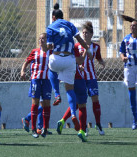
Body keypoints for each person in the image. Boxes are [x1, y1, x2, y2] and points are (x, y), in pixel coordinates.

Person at [46, 3, 92, 142]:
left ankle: (57, 94)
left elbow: (48, 47)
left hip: (57, 57)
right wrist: (88, 51)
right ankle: (73, 114)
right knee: (71, 91)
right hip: (70, 62)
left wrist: (49, 45)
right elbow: (80, 41)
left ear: (53, 17)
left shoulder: (51, 27)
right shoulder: (70, 26)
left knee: (51, 69)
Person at [57, 21, 106, 136]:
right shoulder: (76, 46)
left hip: (91, 77)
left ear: (92, 34)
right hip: (79, 78)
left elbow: (98, 58)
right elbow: (75, 60)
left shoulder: (96, 47)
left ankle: (98, 124)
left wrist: (102, 62)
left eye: (87, 33)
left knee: (95, 99)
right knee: (79, 103)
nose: (85, 34)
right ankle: (70, 123)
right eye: (83, 33)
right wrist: (79, 65)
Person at [21, 33, 52, 138]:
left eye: (43, 38)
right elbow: (26, 62)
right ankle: (33, 129)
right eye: (40, 39)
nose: (41, 40)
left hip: (47, 80)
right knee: (35, 103)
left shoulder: (51, 52)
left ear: (47, 40)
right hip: (36, 79)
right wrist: (22, 71)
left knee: (47, 103)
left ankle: (45, 128)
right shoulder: (35, 52)